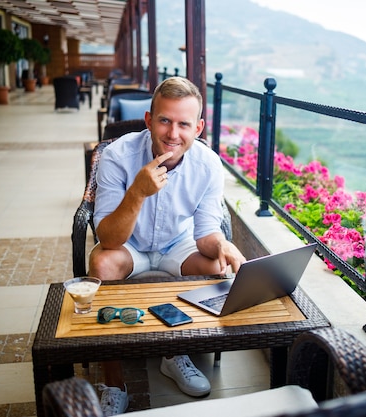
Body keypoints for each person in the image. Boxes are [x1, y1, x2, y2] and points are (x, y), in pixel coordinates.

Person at [89, 77, 246, 415]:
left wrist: (223, 246)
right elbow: (108, 239)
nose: (173, 134)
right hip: (129, 244)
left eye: (184, 124)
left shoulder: (208, 165)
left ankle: (176, 353)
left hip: (179, 243)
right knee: (101, 264)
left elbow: (205, 233)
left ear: (199, 127)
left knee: (216, 268)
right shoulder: (117, 155)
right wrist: (137, 193)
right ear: (149, 119)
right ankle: (114, 382)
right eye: (164, 120)